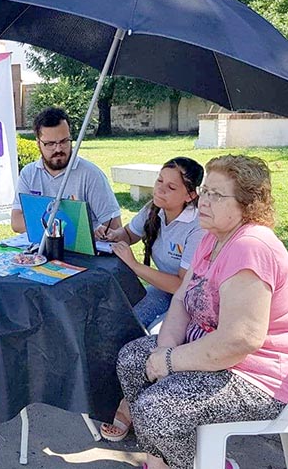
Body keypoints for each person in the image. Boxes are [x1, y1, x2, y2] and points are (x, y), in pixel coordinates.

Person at [116, 155, 288, 469]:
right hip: (217, 353)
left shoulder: (251, 247)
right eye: (205, 191)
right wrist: (166, 347)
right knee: (131, 361)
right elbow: (181, 298)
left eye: (216, 195)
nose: (204, 201)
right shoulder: (212, 236)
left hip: (261, 376)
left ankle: (197, 463)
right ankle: (164, 459)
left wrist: (169, 361)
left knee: (157, 407)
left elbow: (240, 340)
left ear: (247, 205)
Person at [96, 157, 205, 442]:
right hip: (161, 290)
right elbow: (129, 234)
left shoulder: (197, 226)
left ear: (190, 195)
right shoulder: (153, 209)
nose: (160, 190)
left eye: (171, 187)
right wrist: (110, 235)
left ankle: (129, 409)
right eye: (159, 181)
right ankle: (118, 390)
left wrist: (135, 266)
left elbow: (182, 284)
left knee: (152, 341)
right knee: (126, 323)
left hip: (191, 299)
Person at [11, 107, 122, 233]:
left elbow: (115, 227)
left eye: (64, 141)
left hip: (82, 251)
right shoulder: (29, 173)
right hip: (40, 248)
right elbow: (16, 222)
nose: (58, 149)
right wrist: (64, 224)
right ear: (38, 143)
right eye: (50, 144)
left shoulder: (91, 174)